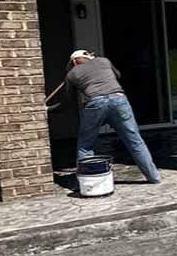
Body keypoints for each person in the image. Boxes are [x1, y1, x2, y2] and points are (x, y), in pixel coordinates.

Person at [62, 50, 161, 184]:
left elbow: (68, 99)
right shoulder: (104, 61)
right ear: (89, 57)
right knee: (135, 140)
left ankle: (88, 183)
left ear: (74, 62)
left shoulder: (72, 74)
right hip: (118, 99)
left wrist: (52, 109)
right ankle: (153, 177)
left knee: (85, 145)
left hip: (95, 103)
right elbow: (117, 75)